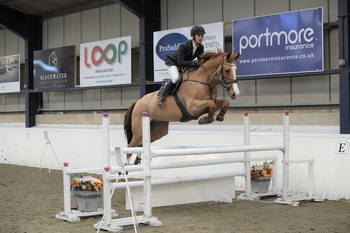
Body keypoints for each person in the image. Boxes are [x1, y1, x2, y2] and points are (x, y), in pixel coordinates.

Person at [156, 25, 206, 108]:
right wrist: (195, 63)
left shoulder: (201, 47)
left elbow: (200, 61)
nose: (200, 38)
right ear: (193, 36)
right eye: (198, 35)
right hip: (173, 62)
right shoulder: (184, 45)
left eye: (202, 36)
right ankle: (162, 96)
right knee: (175, 77)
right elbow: (180, 62)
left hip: (184, 64)